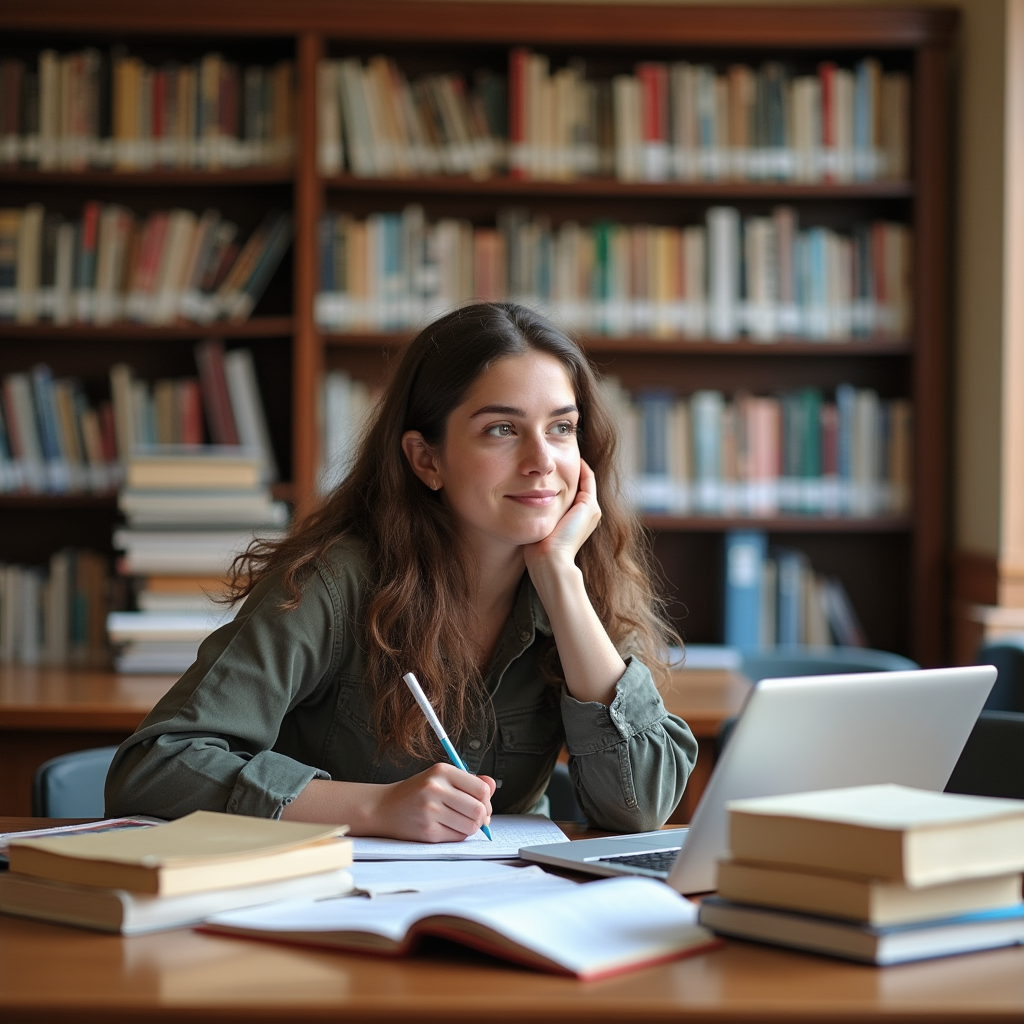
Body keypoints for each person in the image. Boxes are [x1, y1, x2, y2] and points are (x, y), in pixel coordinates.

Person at [105, 303, 697, 840]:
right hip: (330, 909)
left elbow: (639, 808)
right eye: (502, 429)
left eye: (562, 428)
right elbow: (155, 766)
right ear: (426, 458)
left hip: (505, 902)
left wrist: (560, 579)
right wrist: (375, 808)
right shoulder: (334, 581)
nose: (542, 461)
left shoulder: (579, 580)